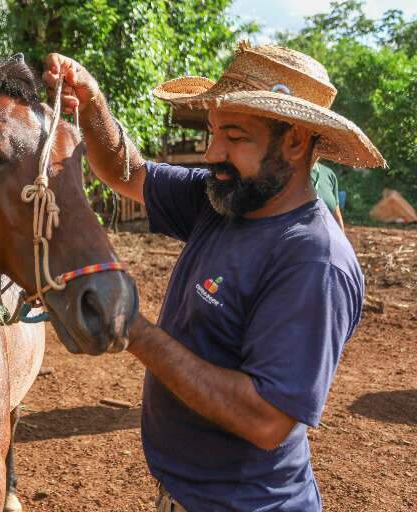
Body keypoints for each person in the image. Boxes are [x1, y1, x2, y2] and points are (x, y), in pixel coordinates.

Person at [43, 42, 386, 511]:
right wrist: (93, 101)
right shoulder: (225, 200)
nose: (212, 152)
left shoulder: (312, 261)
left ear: (296, 140)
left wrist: (135, 329)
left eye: (235, 136)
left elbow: (266, 421)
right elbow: (127, 172)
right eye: (212, 131)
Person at [312, 162, 344, 230]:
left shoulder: (328, 174)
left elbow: (337, 217)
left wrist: (342, 239)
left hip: (327, 237)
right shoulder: (290, 173)